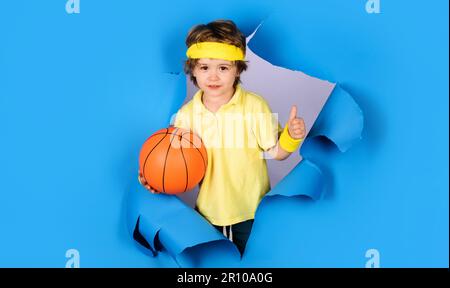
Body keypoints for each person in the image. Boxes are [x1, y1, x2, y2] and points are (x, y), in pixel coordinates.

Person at [139, 19, 306, 256]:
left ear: (238, 69)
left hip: (252, 210)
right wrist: (154, 178)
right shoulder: (185, 117)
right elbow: (171, 166)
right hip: (207, 212)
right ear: (193, 70)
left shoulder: (254, 106)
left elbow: (277, 153)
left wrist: (291, 136)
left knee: (255, 264)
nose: (213, 76)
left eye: (223, 68)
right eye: (204, 67)